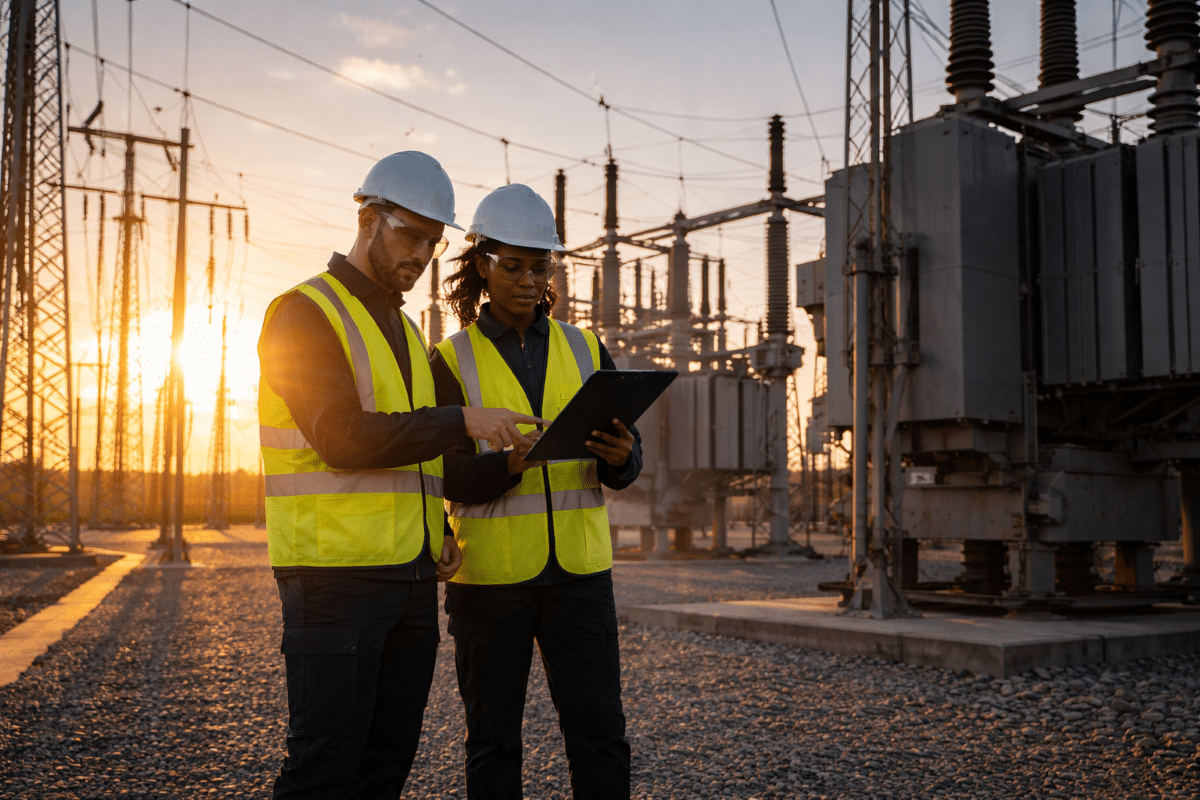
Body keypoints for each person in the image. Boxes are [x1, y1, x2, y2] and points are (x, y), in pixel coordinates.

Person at [257, 152, 544, 800]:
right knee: (324, 768)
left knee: (385, 766)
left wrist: (437, 523)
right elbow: (341, 437)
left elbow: (420, 455)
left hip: (410, 579)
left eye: (432, 243)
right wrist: (461, 418)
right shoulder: (302, 313)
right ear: (367, 218)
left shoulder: (408, 333)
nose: (421, 254)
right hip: (333, 578)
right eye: (409, 234)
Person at [431, 183, 642, 800]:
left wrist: (624, 458)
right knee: (493, 741)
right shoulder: (450, 361)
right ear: (482, 265)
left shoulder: (586, 348)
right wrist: (508, 465)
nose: (529, 281)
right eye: (513, 266)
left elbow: (624, 457)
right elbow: (443, 476)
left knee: (601, 736)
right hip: (490, 579)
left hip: (580, 574)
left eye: (540, 267)